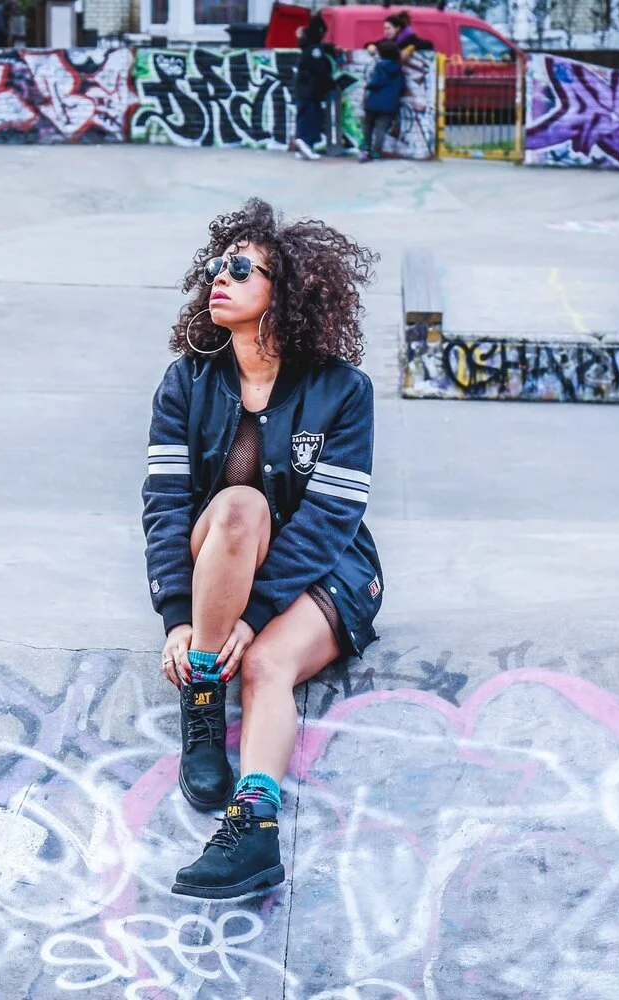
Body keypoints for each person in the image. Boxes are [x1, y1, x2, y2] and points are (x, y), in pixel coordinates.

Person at [142, 198, 383, 899]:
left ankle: (254, 830)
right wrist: (179, 620)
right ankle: (203, 694)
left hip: (327, 567)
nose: (221, 277)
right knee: (238, 506)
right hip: (223, 558)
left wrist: (258, 614)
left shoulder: (343, 391)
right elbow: (165, 506)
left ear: (289, 294)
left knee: (269, 663)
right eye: (218, 266)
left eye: (242, 269)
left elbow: (332, 518)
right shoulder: (186, 382)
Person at [291, 15, 337, 161]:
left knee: (304, 117)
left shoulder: (307, 46)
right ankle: (305, 142)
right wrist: (332, 83)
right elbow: (320, 69)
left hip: (303, 90)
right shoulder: (315, 50)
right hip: (311, 90)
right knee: (312, 118)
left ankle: (303, 146)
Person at [360, 39, 405, 162]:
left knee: (368, 125)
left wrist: (367, 85)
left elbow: (376, 82)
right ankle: (376, 153)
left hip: (374, 101)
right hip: (390, 104)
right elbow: (402, 86)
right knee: (381, 128)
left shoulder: (380, 65)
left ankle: (366, 148)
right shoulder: (399, 68)